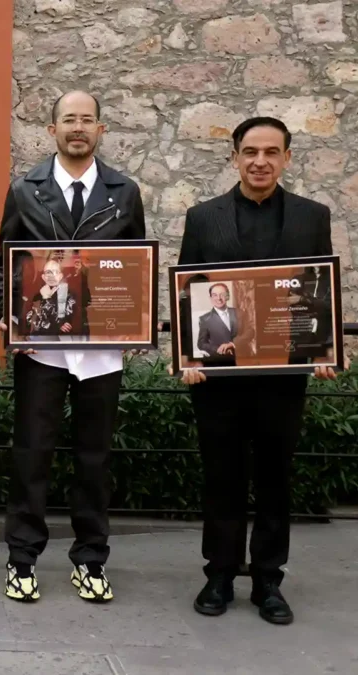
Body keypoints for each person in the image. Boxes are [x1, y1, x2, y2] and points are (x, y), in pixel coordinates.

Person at [178, 117, 346, 626]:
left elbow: (319, 288)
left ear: (288, 158)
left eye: (272, 152)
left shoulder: (311, 216)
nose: (260, 161)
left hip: (282, 378)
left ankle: (269, 580)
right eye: (250, 151)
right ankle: (220, 573)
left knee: (275, 478)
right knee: (222, 478)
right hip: (219, 379)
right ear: (234, 157)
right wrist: (187, 358)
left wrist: (325, 350)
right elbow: (189, 287)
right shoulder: (203, 217)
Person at [0, 91, 146, 604]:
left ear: (101, 130)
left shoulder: (125, 191)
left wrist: (134, 321)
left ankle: (91, 560)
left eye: (87, 120)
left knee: (94, 460)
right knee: (32, 455)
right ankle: (22, 559)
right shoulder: (25, 190)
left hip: (101, 351)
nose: (77, 128)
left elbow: (135, 265)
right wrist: (13, 321)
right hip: (42, 348)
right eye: (68, 120)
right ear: (51, 129)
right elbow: (3, 264)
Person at [21, 259, 83, 338]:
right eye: (48, 272)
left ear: (60, 276)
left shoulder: (69, 295)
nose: (51, 275)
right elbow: (31, 321)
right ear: (43, 277)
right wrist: (46, 298)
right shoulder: (37, 296)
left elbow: (71, 319)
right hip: (41, 340)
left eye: (55, 272)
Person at [196, 283, 251, 361]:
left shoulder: (240, 313)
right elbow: (201, 344)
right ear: (210, 298)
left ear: (228, 296)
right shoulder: (204, 319)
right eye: (215, 295)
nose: (219, 298)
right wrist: (220, 349)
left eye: (222, 294)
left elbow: (250, 332)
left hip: (243, 359)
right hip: (219, 361)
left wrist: (232, 344)